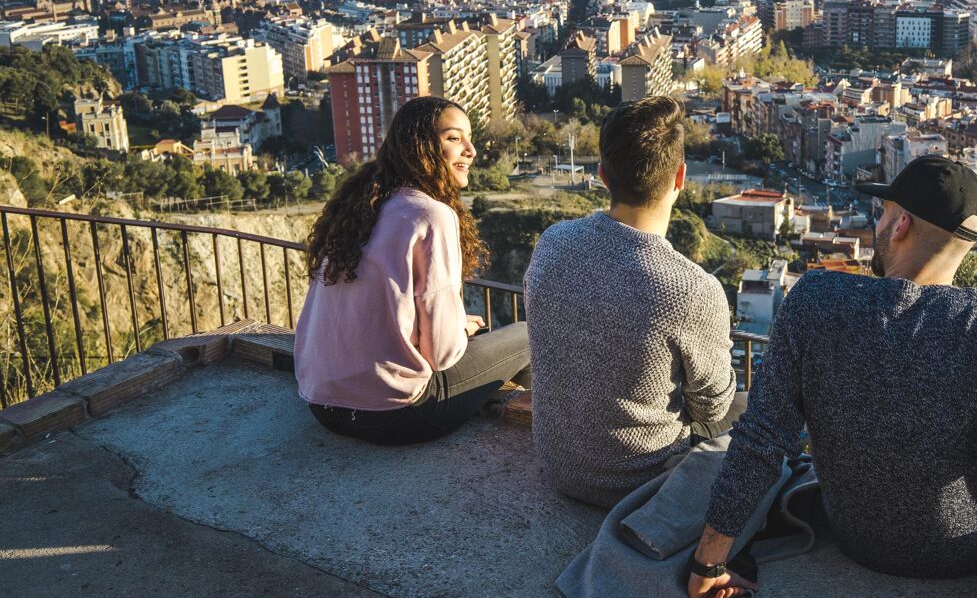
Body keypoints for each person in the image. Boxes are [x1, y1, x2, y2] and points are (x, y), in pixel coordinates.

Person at [687, 155, 977, 598]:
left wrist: (707, 563)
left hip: (855, 537)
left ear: (900, 225)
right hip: (963, 552)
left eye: (883, 213)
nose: (877, 224)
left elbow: (763, 439)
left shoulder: (815, 301)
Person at [525, 95, 740, 508]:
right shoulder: (690, 289)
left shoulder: (552, 243)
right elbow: (710, 407)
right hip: (640, 484)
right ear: (680, 178)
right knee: (746, 409)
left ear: (603, 175)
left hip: (559, 467)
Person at [294, 96, 529, 446]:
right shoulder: (430, 216)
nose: (471, 150)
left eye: (468, 137)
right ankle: (527, 430)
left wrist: (454, 328)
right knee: (527, 333)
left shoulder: (361, 208)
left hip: (321, 404)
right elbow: (442, 355)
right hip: (397, 415)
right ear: (421, 146)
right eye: (453, 138)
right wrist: (458, 331)